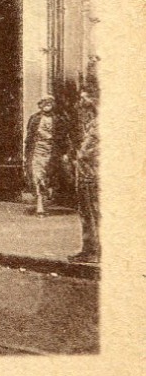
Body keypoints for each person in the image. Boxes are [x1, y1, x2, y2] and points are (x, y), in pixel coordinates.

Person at [68, 83, 99, 264]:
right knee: (91, 214)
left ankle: (92, 251)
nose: (80, 102)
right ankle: (93, 250)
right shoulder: (92, 123)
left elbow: (88, 153)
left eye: (84, 98)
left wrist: (77, 156)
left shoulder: (97, 126)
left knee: (90, 215)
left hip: (90, 176)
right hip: (88, 175)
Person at [23, 95, 59, 216]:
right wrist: (27, 152)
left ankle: (44, 201)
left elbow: (61, 138)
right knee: (37, 175)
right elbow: (29, 137)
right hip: (36, 151)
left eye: (50, 104)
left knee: (46, 177)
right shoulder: (35, 118)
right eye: (45, 104)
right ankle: (40, 205)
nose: (47, 106)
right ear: (41, 105)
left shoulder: (57, 119)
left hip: (50, 152)